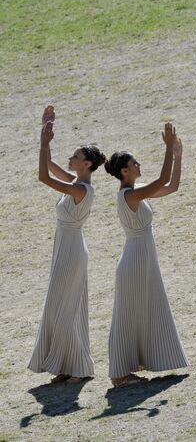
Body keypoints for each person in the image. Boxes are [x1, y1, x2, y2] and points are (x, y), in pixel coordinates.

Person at [104, 123, 188, 387]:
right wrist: (166, 148)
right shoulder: (130, 195)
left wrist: (177, 155)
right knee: (127, 315)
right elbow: (162, 180)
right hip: (134, 260)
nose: (139, 164)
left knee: (144, 310)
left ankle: (130, 368)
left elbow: (172, 186)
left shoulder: (137, 191)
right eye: (134, 162)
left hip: (144, 258)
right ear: (124, 171)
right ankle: (119, 373)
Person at [28, 105, 106, 384]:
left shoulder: (81, 188)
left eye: (76, 157)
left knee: (68, 306)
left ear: (87, 164)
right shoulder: (75, 180)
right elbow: (50, 167)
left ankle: (80, 367)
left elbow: (43, 177)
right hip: (65, 247)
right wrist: (44, 133)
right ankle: (66, 363)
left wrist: (44, 145)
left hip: (72, 251)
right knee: (60, 305)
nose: (71, 159)